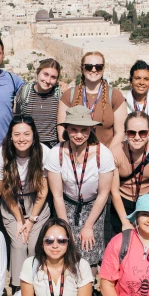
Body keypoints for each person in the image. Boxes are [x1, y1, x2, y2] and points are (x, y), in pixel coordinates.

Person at [0, 116, 51, 296]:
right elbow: (4, 190)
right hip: (12, 203)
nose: (22, 138)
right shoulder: (1, 155)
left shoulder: (43, 152)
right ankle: (18, 286)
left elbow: (43, 190)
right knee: (20, 243)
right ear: (11, 137)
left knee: (34, 243)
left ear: (33, 135)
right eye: (17, 134)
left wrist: (31, 220)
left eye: (26, 134)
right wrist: (20, 219)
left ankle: (38, 282)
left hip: (36, 203)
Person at [45, 105, 116, 267]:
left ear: (91, 129)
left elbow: (103, 194)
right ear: (66, 129)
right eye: (74, 129)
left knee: (89, 248)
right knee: (66, 245)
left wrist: (88, 225)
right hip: (67, 203)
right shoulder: (56, 153)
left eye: (84, 130)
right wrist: (65, 227)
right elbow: (57, 195)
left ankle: (88, 288)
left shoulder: (102, 154)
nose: (79, 135)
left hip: (93, 204)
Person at [58, 51, 128, 148]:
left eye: (98, 67)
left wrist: (107, 156)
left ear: (103, 69)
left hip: (105, 156)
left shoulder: (115, 95)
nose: (94, 70)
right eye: (89, 67)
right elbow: (62, 130)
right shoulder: (69, 95)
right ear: (82, 69)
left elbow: (120, 132)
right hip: (75, 156)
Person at [111, 112, 149, 231]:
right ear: (125, 133)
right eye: (131, 133)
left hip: (146, 202)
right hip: (122, 201)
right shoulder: (115, 152)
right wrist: (124, 221)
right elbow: (114, 191)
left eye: (142, 133)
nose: (137, 137)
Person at [14, 59, 62, 148]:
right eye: (45, 74)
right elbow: (17, 116)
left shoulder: (59, 93)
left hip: (52, 146)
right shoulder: (25, 91)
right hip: (29, 145)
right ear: (38, 72)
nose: (48, 80)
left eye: (53, 77)